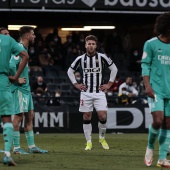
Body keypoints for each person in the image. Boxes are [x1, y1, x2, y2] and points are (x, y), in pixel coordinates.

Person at [67, 35, 117, 150]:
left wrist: (109, 84)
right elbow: (70, 71)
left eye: (93, 44)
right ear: (85, 45)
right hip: (86, 92)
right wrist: (76, 84)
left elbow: (114, 69)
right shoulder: (80, 59)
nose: (91, 46)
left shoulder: (102, 57)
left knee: (102, 115)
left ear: (96, 45)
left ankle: (102, 138)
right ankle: (88, 142)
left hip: (99, 92)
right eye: (89, 44)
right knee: (86, 116)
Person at [7, 26, 48, 154]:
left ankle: (31, 146)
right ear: (26, 36)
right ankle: (17, 148)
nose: (34, 36)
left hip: (26, 89)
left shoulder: (24, 48)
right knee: (18, 118)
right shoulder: (18, 49)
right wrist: (15, 79)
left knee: (30, 116)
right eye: (33, 34)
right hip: (19, 89)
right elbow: (10, 65)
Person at [142, 12, 170, 168]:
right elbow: (145, 65)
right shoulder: (151, 44)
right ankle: (150, 147)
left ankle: (162, 159)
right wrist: (147, 85)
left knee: (168, 124)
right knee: (158, 121)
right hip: (156, 89)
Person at [0, 28, 29, 166]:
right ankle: (7, 154)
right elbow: (25, 56)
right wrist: (16, 77)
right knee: (6, 118)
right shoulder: (9, 41)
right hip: (3, 81)